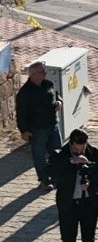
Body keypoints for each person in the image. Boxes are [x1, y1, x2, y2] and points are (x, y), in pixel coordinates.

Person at [16, 61, 63, 191]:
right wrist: (24, 131)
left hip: (53, 125)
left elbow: (56, 95)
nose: (45, 73)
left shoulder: (48, 84)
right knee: (39, 156)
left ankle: (57, 178)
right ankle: (44, 180)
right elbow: (20, 114)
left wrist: (59, 101)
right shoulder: (25, 93)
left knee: (57, 153)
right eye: (43, 72)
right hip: (37, 129)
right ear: (34, 74)